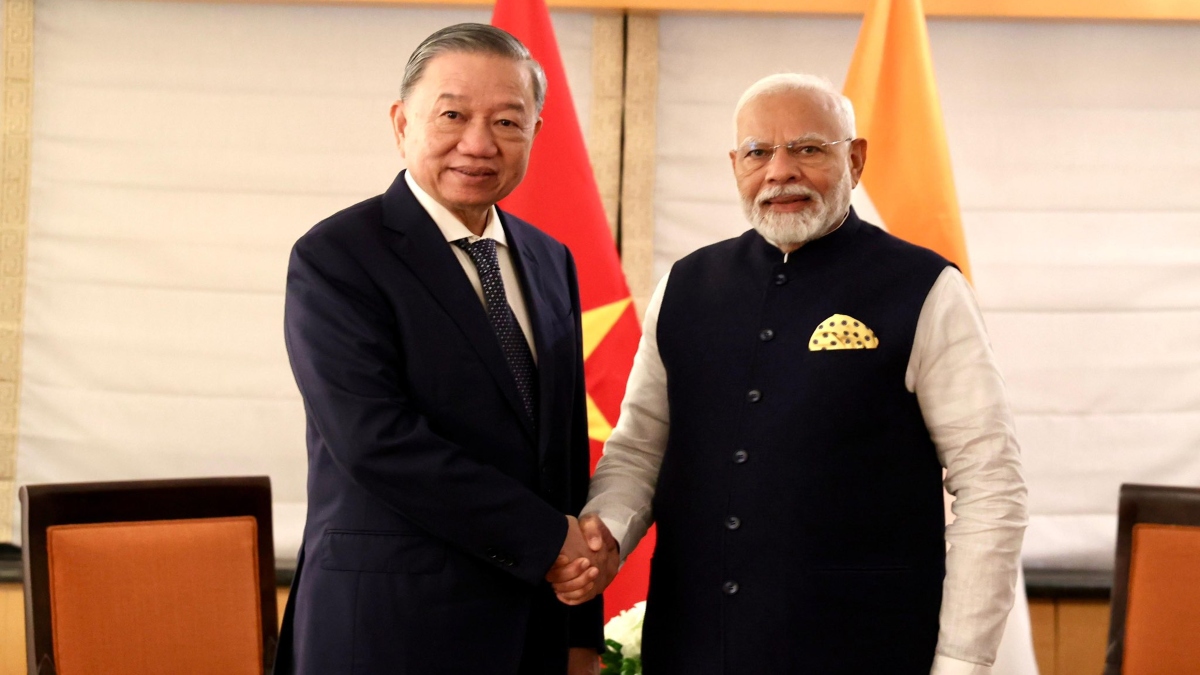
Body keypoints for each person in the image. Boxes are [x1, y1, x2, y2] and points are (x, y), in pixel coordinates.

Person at [548, 73, 1028, 674]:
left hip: (866, 651)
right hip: (692, 649)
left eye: (807, 148)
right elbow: (639, 449)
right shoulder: (686, 286)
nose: (780, 171)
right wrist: (607, 536)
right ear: (735, 165)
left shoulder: (927, 289)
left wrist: (962, 661)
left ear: (855, 159)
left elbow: (991, 486)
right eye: (758, 152)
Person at [277, 23, 610, 675]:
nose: (478, 144)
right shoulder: (338, 256)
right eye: (453, 114)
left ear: (537, 133)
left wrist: (579, 630)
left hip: (529, 630)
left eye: (508, 122)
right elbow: (377, 439)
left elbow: (565, 452)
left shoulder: (550, 259)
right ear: (402, 122)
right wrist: (549, 540)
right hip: (388, 627)